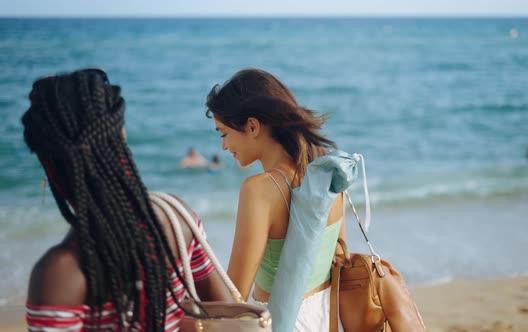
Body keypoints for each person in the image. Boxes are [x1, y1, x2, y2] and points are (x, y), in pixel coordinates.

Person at [22, 68, 230, 331]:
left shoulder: (61, 273)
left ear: (46, 162)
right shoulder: (178, 218)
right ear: (121, 135)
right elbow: (225, 314)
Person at [205, 68, 346, 331]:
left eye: (223, 133)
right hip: (329, 319)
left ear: (252, 126)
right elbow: (339, 257)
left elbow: (235, 296)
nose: (223, 146)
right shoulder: (329, 170)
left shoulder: (259, 190)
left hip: (281, 322)